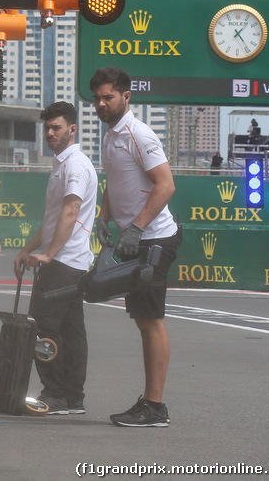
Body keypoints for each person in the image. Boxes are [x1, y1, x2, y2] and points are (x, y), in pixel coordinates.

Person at [90, 67, 179, 428]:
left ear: (127, 97)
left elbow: (166, 185)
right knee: (142, 321)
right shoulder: (110, 135)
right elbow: (115, 180)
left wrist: (138, 227)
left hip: (155, 237)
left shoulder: (139, 134)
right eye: (97, 97)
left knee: (151, 321)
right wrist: (104, 214)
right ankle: (150, 403)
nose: (101, 103)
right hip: (135, 239)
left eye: (108, 97)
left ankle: (155, 407)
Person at [14, 101, 97, 416]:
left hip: (63, 263)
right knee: (72, 331)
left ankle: (57, 394)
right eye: (47, 127)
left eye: (56, 127)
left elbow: (70, 211)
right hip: (71, 262)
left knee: (43, 328)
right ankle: (73, 398)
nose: (50, 133)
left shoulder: (74, 165)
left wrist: (48, 254)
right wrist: (27, 249)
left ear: (72, 129)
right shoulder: (63, 164)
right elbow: (52, 221)